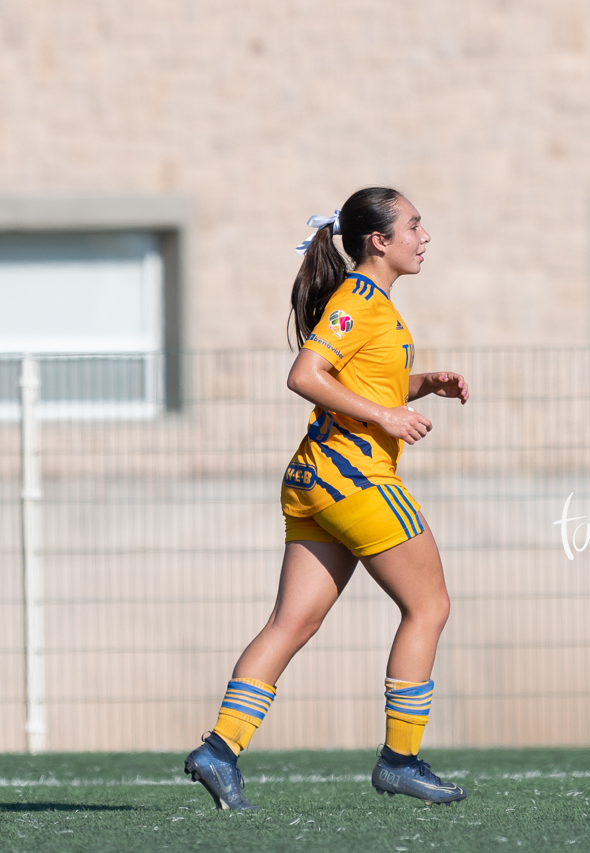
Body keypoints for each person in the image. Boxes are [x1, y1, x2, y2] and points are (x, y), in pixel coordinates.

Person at [184, 187, 471, 810]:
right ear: (380, 241)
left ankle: (220, 750)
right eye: (415, 227)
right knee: (430, 607)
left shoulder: (374, 305)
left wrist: (424, 385)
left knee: (293, 621)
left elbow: (361, 380)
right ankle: (400, 759)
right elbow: (305, 375)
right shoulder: (358, 301)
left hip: (315, 482)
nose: (425, 238)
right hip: (357, 480)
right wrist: (386, 417)